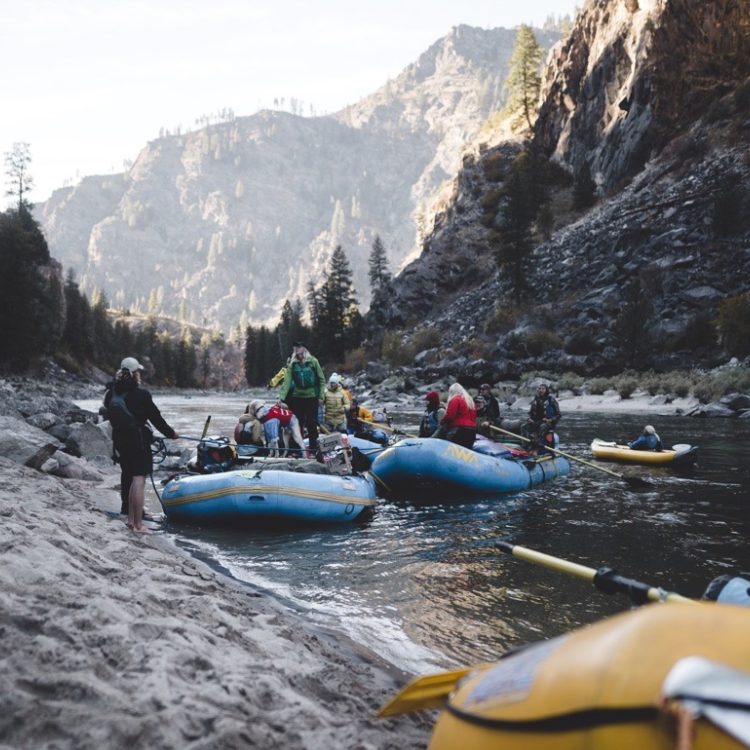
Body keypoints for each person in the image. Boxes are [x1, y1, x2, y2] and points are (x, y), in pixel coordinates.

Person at [104, 357, 178, 533]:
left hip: (120, 442)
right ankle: (138, 525)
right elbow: (156, 418)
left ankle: (131, 520)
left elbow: (108, 412)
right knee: (138, 481)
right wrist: (171, 434)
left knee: (129, 477)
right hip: (138, 442)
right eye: (139, 372)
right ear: (135, 374)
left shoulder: (111, 393)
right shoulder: (142, 395)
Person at [278, 342, 325, 455]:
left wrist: (321, 396)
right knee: (296, 423)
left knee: (312, 423)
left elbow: (321, 379)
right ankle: (296, 450)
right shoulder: (293, 364)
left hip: (312, 397)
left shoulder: (313, 361)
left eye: (299, 347)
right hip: (297, 397)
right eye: (295, 347)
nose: (296, 349)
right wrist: (281, 398)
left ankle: (314, 449)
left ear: (304, 348)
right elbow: (287, 382)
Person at [436, 383, 477, 448]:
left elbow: (450, 416)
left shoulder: (455, 399)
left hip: (459, 430)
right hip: (472, 431)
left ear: (451, 391)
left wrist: (442, 422)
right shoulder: (470, 401)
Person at [526, 383, 561, 453]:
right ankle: (526, 446)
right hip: (536, 421)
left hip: (548, 423)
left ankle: (537, 448)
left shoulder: (551, 400)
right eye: (539, 388)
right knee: (523, 426)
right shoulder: (535, 400)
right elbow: (530, 412)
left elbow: (558, 415)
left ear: (546, 390)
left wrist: (550, 420)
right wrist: (529, 418)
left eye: (543, 389)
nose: (541, 390)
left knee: (542, 427)